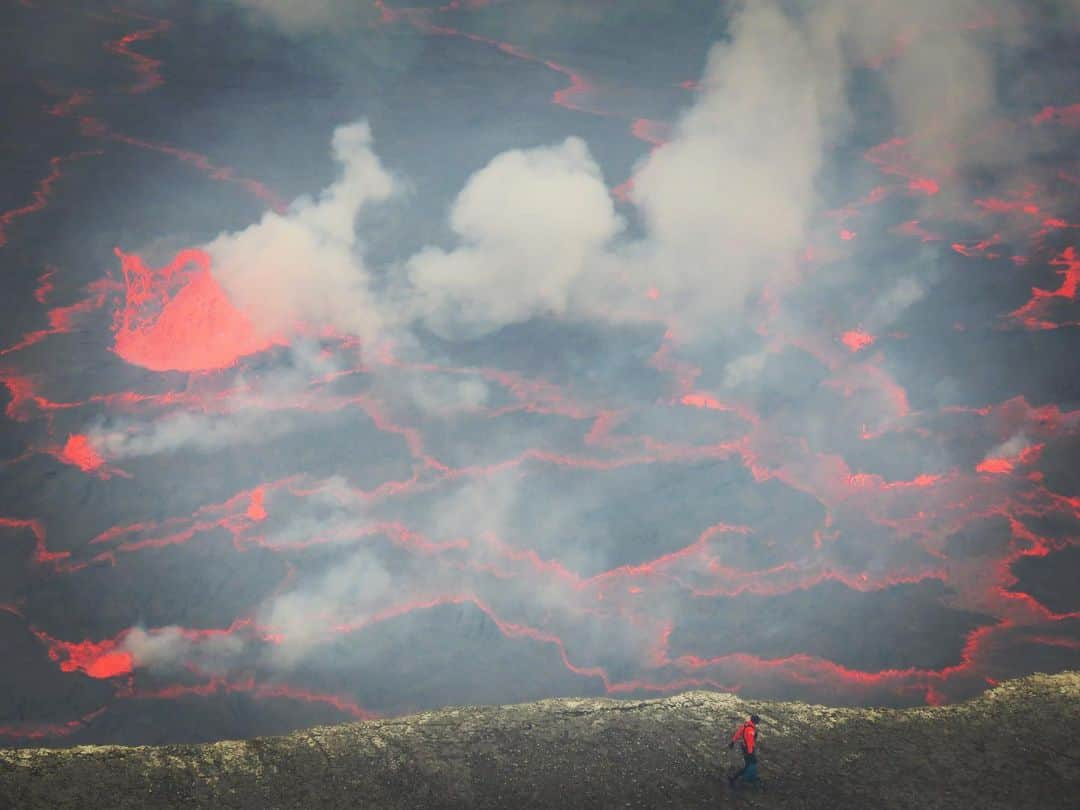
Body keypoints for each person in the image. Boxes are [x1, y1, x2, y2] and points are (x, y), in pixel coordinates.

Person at [728, 714, 760, 788]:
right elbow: (749, 742)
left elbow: (738, 733)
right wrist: (750, 752)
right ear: (755, 721)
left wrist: (733, 742)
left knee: (751, 763)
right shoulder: (750, 729)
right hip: (748, 749)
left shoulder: (746, 725)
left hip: (744, 747)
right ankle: (734, 778)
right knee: (749, 765)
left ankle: (749, 777)